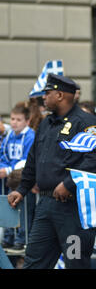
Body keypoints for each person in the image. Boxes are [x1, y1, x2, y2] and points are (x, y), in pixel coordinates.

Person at [7, 73, 96, 269]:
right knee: (34, 262)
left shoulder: (86, 122)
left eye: (48, 93)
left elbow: (94, 158)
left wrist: (68, 183)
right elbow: (33, 160)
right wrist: (22, 189)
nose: (44, 97)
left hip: (73, 210)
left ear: (60, 95)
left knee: (75, 263)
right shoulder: (45, 124)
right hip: (46, 206)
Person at [0, 103, 36, 254]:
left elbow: (27, 158)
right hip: (9, 180)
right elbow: (3, 154)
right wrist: (2, 166)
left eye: (18, 120)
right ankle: (8, 236)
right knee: (9, 206)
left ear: (27, 121)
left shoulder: (30, 136)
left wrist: (8, 169)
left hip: (23, 181)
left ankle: (21, 238)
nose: (14, 122)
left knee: (24, 210)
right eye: (13, 119)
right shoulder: (9, 136)